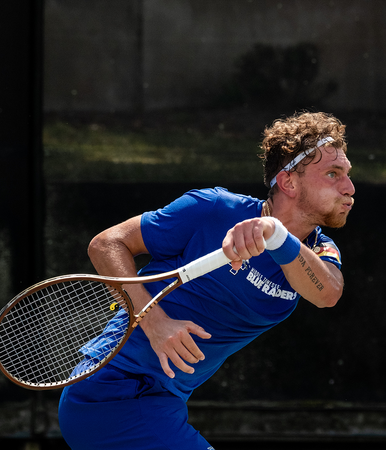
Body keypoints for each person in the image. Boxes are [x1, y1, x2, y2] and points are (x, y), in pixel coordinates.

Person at [58, 111, 355, 450]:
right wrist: (155, 323)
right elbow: (107, 244)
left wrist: (275, 235)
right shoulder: (213, 209)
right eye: (333, 174)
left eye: (347, 174)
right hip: (110, 392)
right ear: (288, 182)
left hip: (162, 405)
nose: (349, 188)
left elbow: (328, 293)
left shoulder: (317, 252)